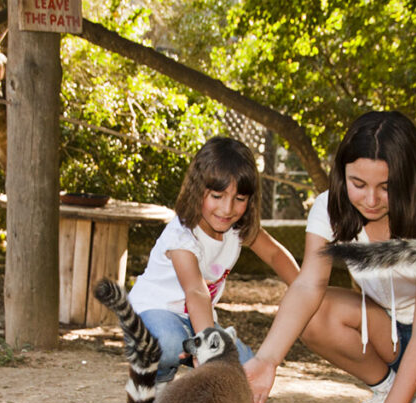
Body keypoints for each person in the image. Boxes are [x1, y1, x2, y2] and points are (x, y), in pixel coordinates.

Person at [244, 111, 416, 403]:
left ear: (408, 178)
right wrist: (268, 360)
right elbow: (308, 285)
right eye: (358, 184)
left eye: (386, 186)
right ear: (343, 174)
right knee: (313, 313)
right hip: (387, 323)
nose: (371, 199)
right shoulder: (329, 208)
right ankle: (391, 393)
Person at [127, 136, 299, 385]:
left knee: (247, 371)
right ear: (198, 190)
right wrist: (209, 352)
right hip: (152, 317)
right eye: (217, 196)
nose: (227, 209)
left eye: (239, 199)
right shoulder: (182, 235)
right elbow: (196, 292)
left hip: (197, 323)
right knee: (166, 342)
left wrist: (305, 288)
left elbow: (275, 254)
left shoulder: (238, 229)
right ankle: (155, 383)